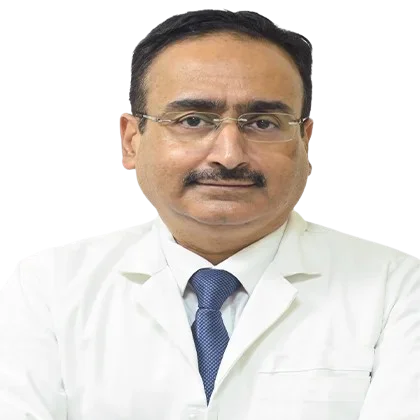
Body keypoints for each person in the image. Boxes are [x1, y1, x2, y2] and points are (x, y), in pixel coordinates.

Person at [0, 9, 419, 420]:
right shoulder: (46, 284)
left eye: (263, 123)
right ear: (131, 141)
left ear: (305, 143)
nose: (229, 155)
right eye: (194, 120)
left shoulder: (397, 285)